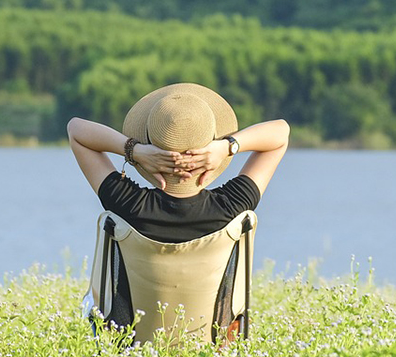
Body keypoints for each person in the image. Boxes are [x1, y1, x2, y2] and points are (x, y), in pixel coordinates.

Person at [67, 82, 289, 243]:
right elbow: (281, 133)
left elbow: (76, 129)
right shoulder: (233, 204)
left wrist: (134, 151)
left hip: (141, 310)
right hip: (213, 310)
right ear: (211, 151)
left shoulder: (127, 203)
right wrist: (228, 146)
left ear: (151, 147)